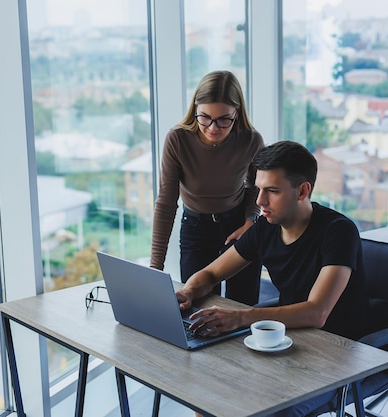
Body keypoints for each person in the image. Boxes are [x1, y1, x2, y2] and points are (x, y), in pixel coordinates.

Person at [176, 141, 368, 416]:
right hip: (284, 341)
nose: (259, 201)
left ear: (303, 191)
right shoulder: (265, 227)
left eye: (272, 191)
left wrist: (238, 318)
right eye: (258, 189)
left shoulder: (339, 232)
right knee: (208, 391)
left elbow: (317, 313)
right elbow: (212, 272)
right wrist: (189, 291)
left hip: (336, 353)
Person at [150, 70, 264, 305]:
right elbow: (166, 203)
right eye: (205, 117)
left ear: (237, 113)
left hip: (239, 228)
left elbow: (256, 187)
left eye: (224, 119)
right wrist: (155, 269)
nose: (213, 127)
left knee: (242, 307)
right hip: (195, 230)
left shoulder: (250, 140)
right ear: (195, 110)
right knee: (197, 308)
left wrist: (250, 221)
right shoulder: (178, 139)